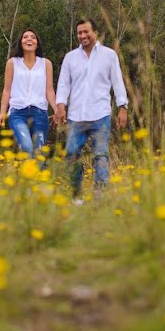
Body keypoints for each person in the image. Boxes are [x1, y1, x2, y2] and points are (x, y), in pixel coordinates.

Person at [54, 18, 128, 198]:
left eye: (86, 32)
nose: (82, 35)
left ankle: (100, 197)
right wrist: (60, 106)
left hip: (100, 114)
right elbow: (64, 84)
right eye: (79, 32)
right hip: (75, 116)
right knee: (71, 155)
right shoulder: (70, 58)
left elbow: (117, 82)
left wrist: (122, 107)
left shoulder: (109, 55)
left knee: (101, 155)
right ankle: (76, 196)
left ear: (95, 33)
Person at [0, 28, 58, 160]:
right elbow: (6, 90)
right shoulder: (12, 63)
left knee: (39, 154)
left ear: (37, 43)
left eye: (33, 37)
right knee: (27, 147)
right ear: (20, 43)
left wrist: (57, 110)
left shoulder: (46, 64)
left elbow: (49, 90)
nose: (29, 39)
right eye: (25, 37)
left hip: (40, 113)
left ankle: (35, 179)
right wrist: (2, 112)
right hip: (18, 113)